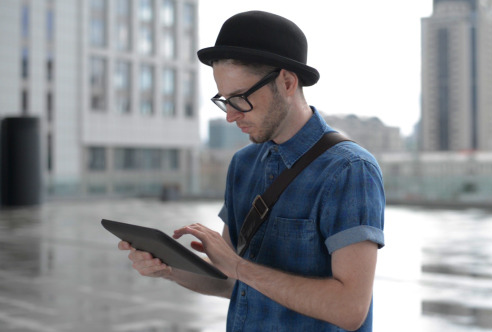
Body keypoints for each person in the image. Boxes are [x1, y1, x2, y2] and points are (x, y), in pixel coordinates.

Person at [118, 10, 385, 331]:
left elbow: (350, 309)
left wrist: (239, 267)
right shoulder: (242, 164)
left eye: (240, 98)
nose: (231, 115)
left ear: (286, 82)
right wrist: (170, 268)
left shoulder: (349, 169)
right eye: (224, 100)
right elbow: (231, 283)